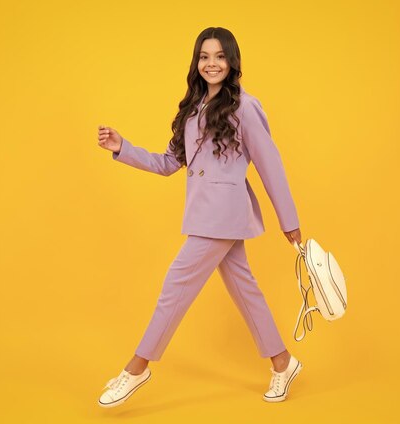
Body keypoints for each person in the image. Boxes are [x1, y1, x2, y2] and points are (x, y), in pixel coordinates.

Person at [96, 27, 303, 408]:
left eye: (220, 56)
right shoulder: (192, 111)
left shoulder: (245, 106)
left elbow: (270, 164)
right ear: (196, 63)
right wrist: (122, 147)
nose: (212, 63)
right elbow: (167, 163)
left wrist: (288, 219)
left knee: (175, 286)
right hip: (203, 215)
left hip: (223, 214)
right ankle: (283, 361)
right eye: (205, 56)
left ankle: (138, 366)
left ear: (232, 61)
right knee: (245, 290)